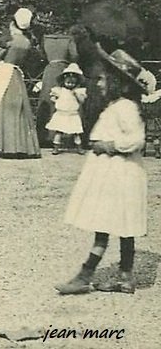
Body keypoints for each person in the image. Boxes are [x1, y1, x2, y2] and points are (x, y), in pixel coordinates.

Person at [56, 48, 151, 295]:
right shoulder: (117, 106)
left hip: (119, 174)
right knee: (121, 225)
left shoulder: (125, 108)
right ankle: (125, 277)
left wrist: (108, 146)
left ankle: (85, 275)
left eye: (102, 78)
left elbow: (138, 140)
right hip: (117, 173)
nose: (98, 82)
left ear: (116, 82)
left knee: (106, 224)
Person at [0, 7, 41, 158]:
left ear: (13, 23)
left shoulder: (10, 41)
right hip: (17, 74)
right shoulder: (27, 41)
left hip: (4, 73)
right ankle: (20, 145)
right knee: (18, 110)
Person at [36, 30, 80, 147]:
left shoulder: (45, 38)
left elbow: (41, 55)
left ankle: (44, 135)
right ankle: (62, 137)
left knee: (47, 99)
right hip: (62, 70)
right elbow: (74, 55)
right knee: (64, 100)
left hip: (49, 69)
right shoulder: (68, 39)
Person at [47, 63, 87, 155]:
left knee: (76, 132)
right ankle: (56, 148)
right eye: (68, 82)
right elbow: (53, 97)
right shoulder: (60, 90)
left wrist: (76, 94)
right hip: (61, 114)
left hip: (72, 114)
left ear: (77, 82)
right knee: (59, 131)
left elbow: (82, 101)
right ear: (64, 81)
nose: (70, 84)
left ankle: (79, 148)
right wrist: (54, 99)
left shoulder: (78, 91)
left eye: (73, 83)